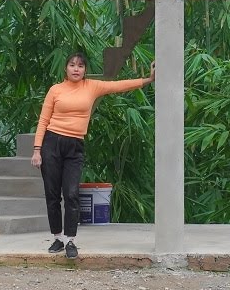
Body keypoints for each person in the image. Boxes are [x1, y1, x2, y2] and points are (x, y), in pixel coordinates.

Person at [30, 51, 154, 259]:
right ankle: (58, 238)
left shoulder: (92, 87)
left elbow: (119, 86)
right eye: (72, 65)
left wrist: (148, 80)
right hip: (51, 144)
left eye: (80, 66)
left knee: (71, 193)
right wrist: (36, 150)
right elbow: (43, 120)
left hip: (74, 146)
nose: (76, 69)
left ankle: (70, 240)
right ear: (66, 68)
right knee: (52, 195)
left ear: (85, 70)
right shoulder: (55, 90)